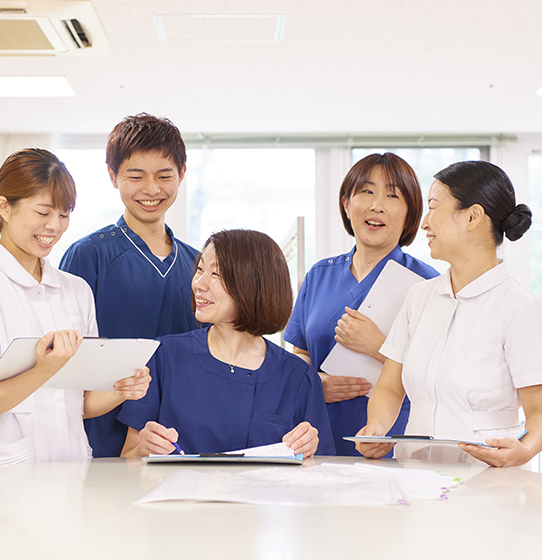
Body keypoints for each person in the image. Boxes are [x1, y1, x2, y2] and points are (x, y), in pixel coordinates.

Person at [0, 148, 151, 469]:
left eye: (64, 213)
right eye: (43, 212)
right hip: (1, 472)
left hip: (68, 466)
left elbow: (78, 403)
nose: (54, 226)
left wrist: (121, 389)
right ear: (4, 207)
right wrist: (44, 369)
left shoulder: (76, 290)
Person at [356, 161, 542, 467]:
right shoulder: (418, 298)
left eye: (434, 206)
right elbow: (389, 387)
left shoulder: (521, 309)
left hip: (488, 483)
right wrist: (377, 428)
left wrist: (524, 449)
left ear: (473, 216)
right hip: (416, 477)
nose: (424, 222)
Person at [119, 229, 335, 458]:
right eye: (200, 269)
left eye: (216, 275)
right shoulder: (163, 358)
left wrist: (308, 450)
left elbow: (319, 472)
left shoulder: (298, 377)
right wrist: (143, 449)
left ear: (255, 285)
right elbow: (128, 457)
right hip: (180, 494)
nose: (198, 284)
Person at [60, 113, 202, 457]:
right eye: (135, 176)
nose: (151, 190)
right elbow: (66, 363)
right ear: (113, 176)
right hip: (102, 439)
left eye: (164, 176)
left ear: (182, 175)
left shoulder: (198, 265)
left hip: (178, 438)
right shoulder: (87, 256)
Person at [284, 153, 439, 456]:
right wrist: (311, 383)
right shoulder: (319, 275)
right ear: (346, 204)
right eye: (366, 192)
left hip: (394, 437)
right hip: (318, 436)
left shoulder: (428, 284)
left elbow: (438, 372)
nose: (376, 205)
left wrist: (378, 346)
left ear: (410, 214)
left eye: (392, 195)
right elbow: (300, 351)